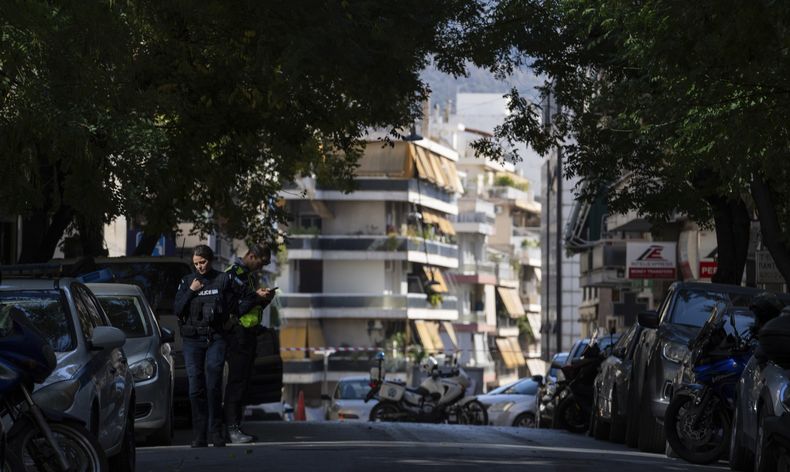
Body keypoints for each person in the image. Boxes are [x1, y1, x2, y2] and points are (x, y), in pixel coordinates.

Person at [174, 244, 247, 448]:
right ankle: (199, 435)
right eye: (196, 263)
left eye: (203, 262)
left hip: (216, 337)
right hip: (192, 340)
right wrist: (191, 291)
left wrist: (233, 320)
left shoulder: (223, 279)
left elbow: (241, 301)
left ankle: (216, 432)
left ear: (211, 259)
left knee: (213, 383)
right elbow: (178, 309)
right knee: (195, 388)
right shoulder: (187, 281)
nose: (200, 267)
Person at [223, 243, 276, 444]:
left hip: (249, 334)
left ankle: (236, 426)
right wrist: (256, 297)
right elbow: (234, 308)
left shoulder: (248, 276)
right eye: (261, 263)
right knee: (236, 383)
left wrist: (264, 299)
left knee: (243, 384)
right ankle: (231, 428)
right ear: (252, 256)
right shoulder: (233, 274)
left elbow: (250, 306)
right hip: (237, 335)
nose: (261, 267)